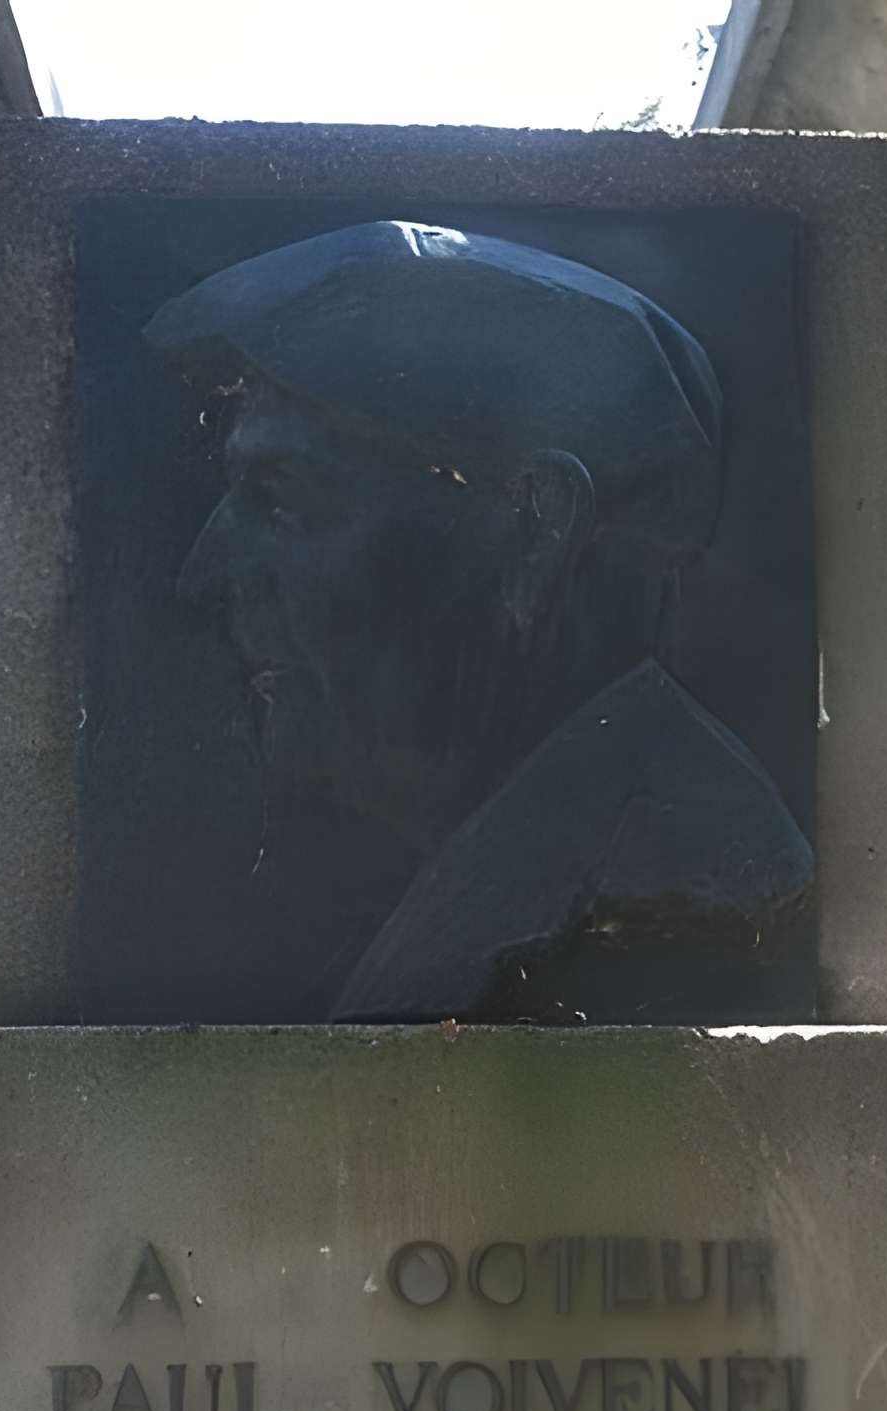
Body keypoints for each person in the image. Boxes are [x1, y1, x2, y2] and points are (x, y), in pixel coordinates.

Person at [146, 219, 813, 1024]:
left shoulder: (689, 860)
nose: (203, 573)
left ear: (537, 531)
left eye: (284, 499)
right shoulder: (495, 850)